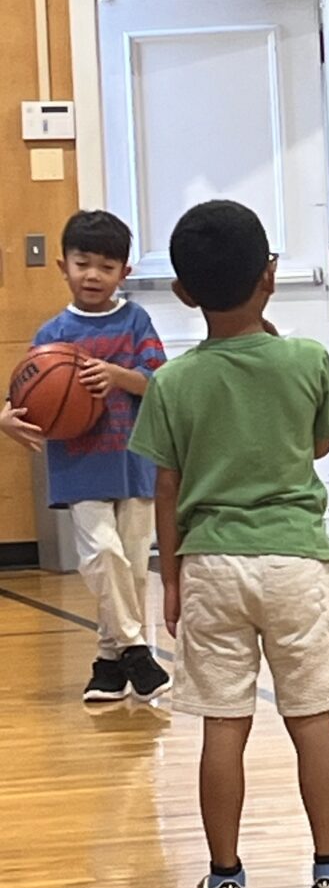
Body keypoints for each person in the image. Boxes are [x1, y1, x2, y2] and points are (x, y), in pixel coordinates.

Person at [128, 200, 329, 888]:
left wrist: (170, 581)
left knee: (223, 728)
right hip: (296, 563)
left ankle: (226, 887)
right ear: (270, 276)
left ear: (182, 292)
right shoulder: (306, 360)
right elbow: (321, 448)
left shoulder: (172, 381)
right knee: (312, 724)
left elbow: (165, 490)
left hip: (210, 566)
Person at [0, 210, 170, 704]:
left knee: (133, 569)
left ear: (125, 272)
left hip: (134, 459)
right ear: (63, 266)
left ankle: (109, 666)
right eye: (82, 263)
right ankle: (138, 649)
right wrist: (6, 418)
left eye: (105, 266)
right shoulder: (52, 333)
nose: (93, 274)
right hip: (78, 464)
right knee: (103, 555)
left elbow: (159, 384)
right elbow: (26, 392)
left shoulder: (137, 321)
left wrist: (117, 375)